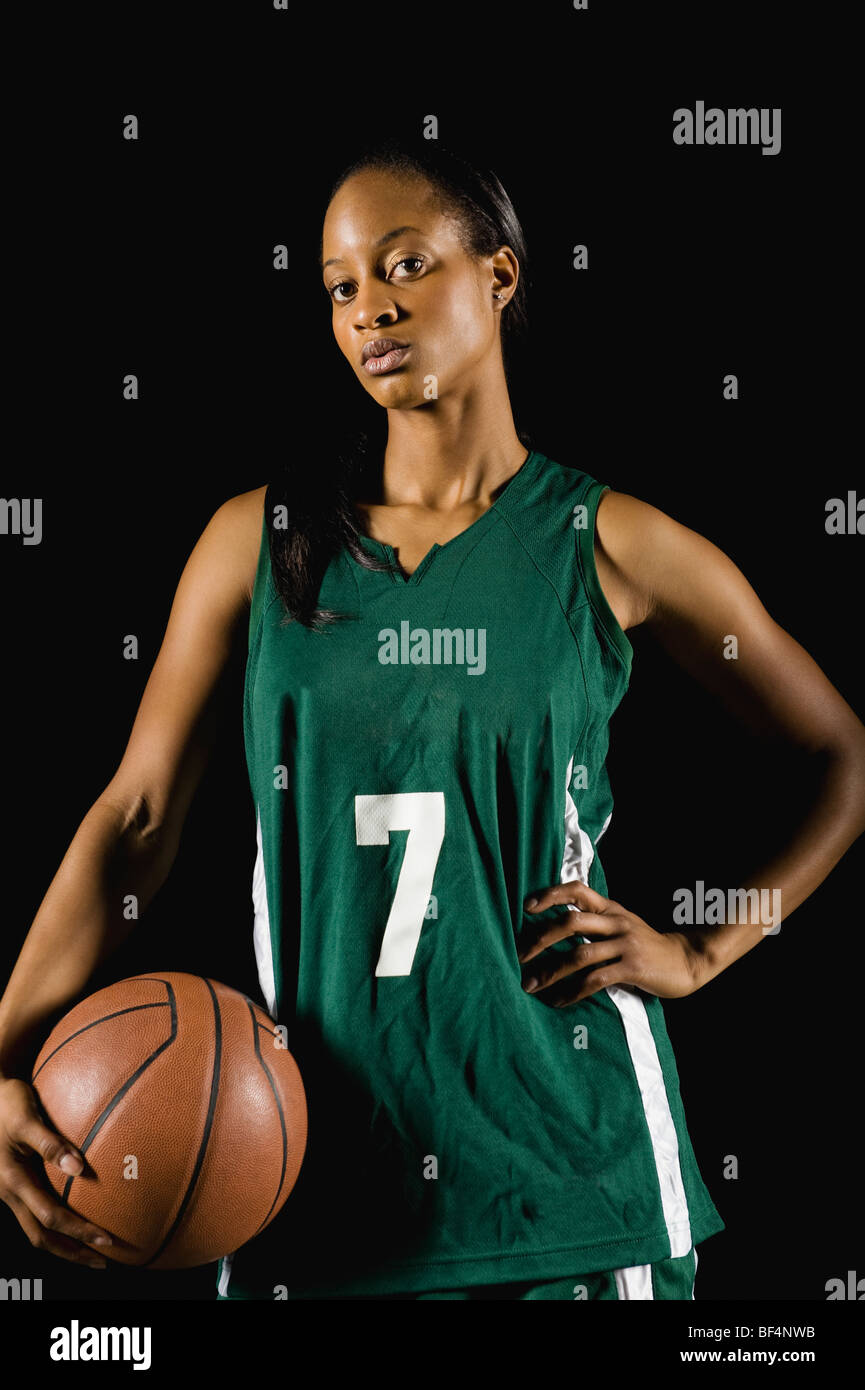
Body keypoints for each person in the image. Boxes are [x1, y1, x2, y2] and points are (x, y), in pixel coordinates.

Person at [1, 139, 863, 1302]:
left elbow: (838, 756)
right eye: (340, 285)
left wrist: (701, 949)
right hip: (305, 1179)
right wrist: (4, 1049)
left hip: (570, 1184)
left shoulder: (606, 543)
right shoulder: (252, 546)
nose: (368, 307)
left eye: (403, 264)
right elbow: (138, 815)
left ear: (500, 277)